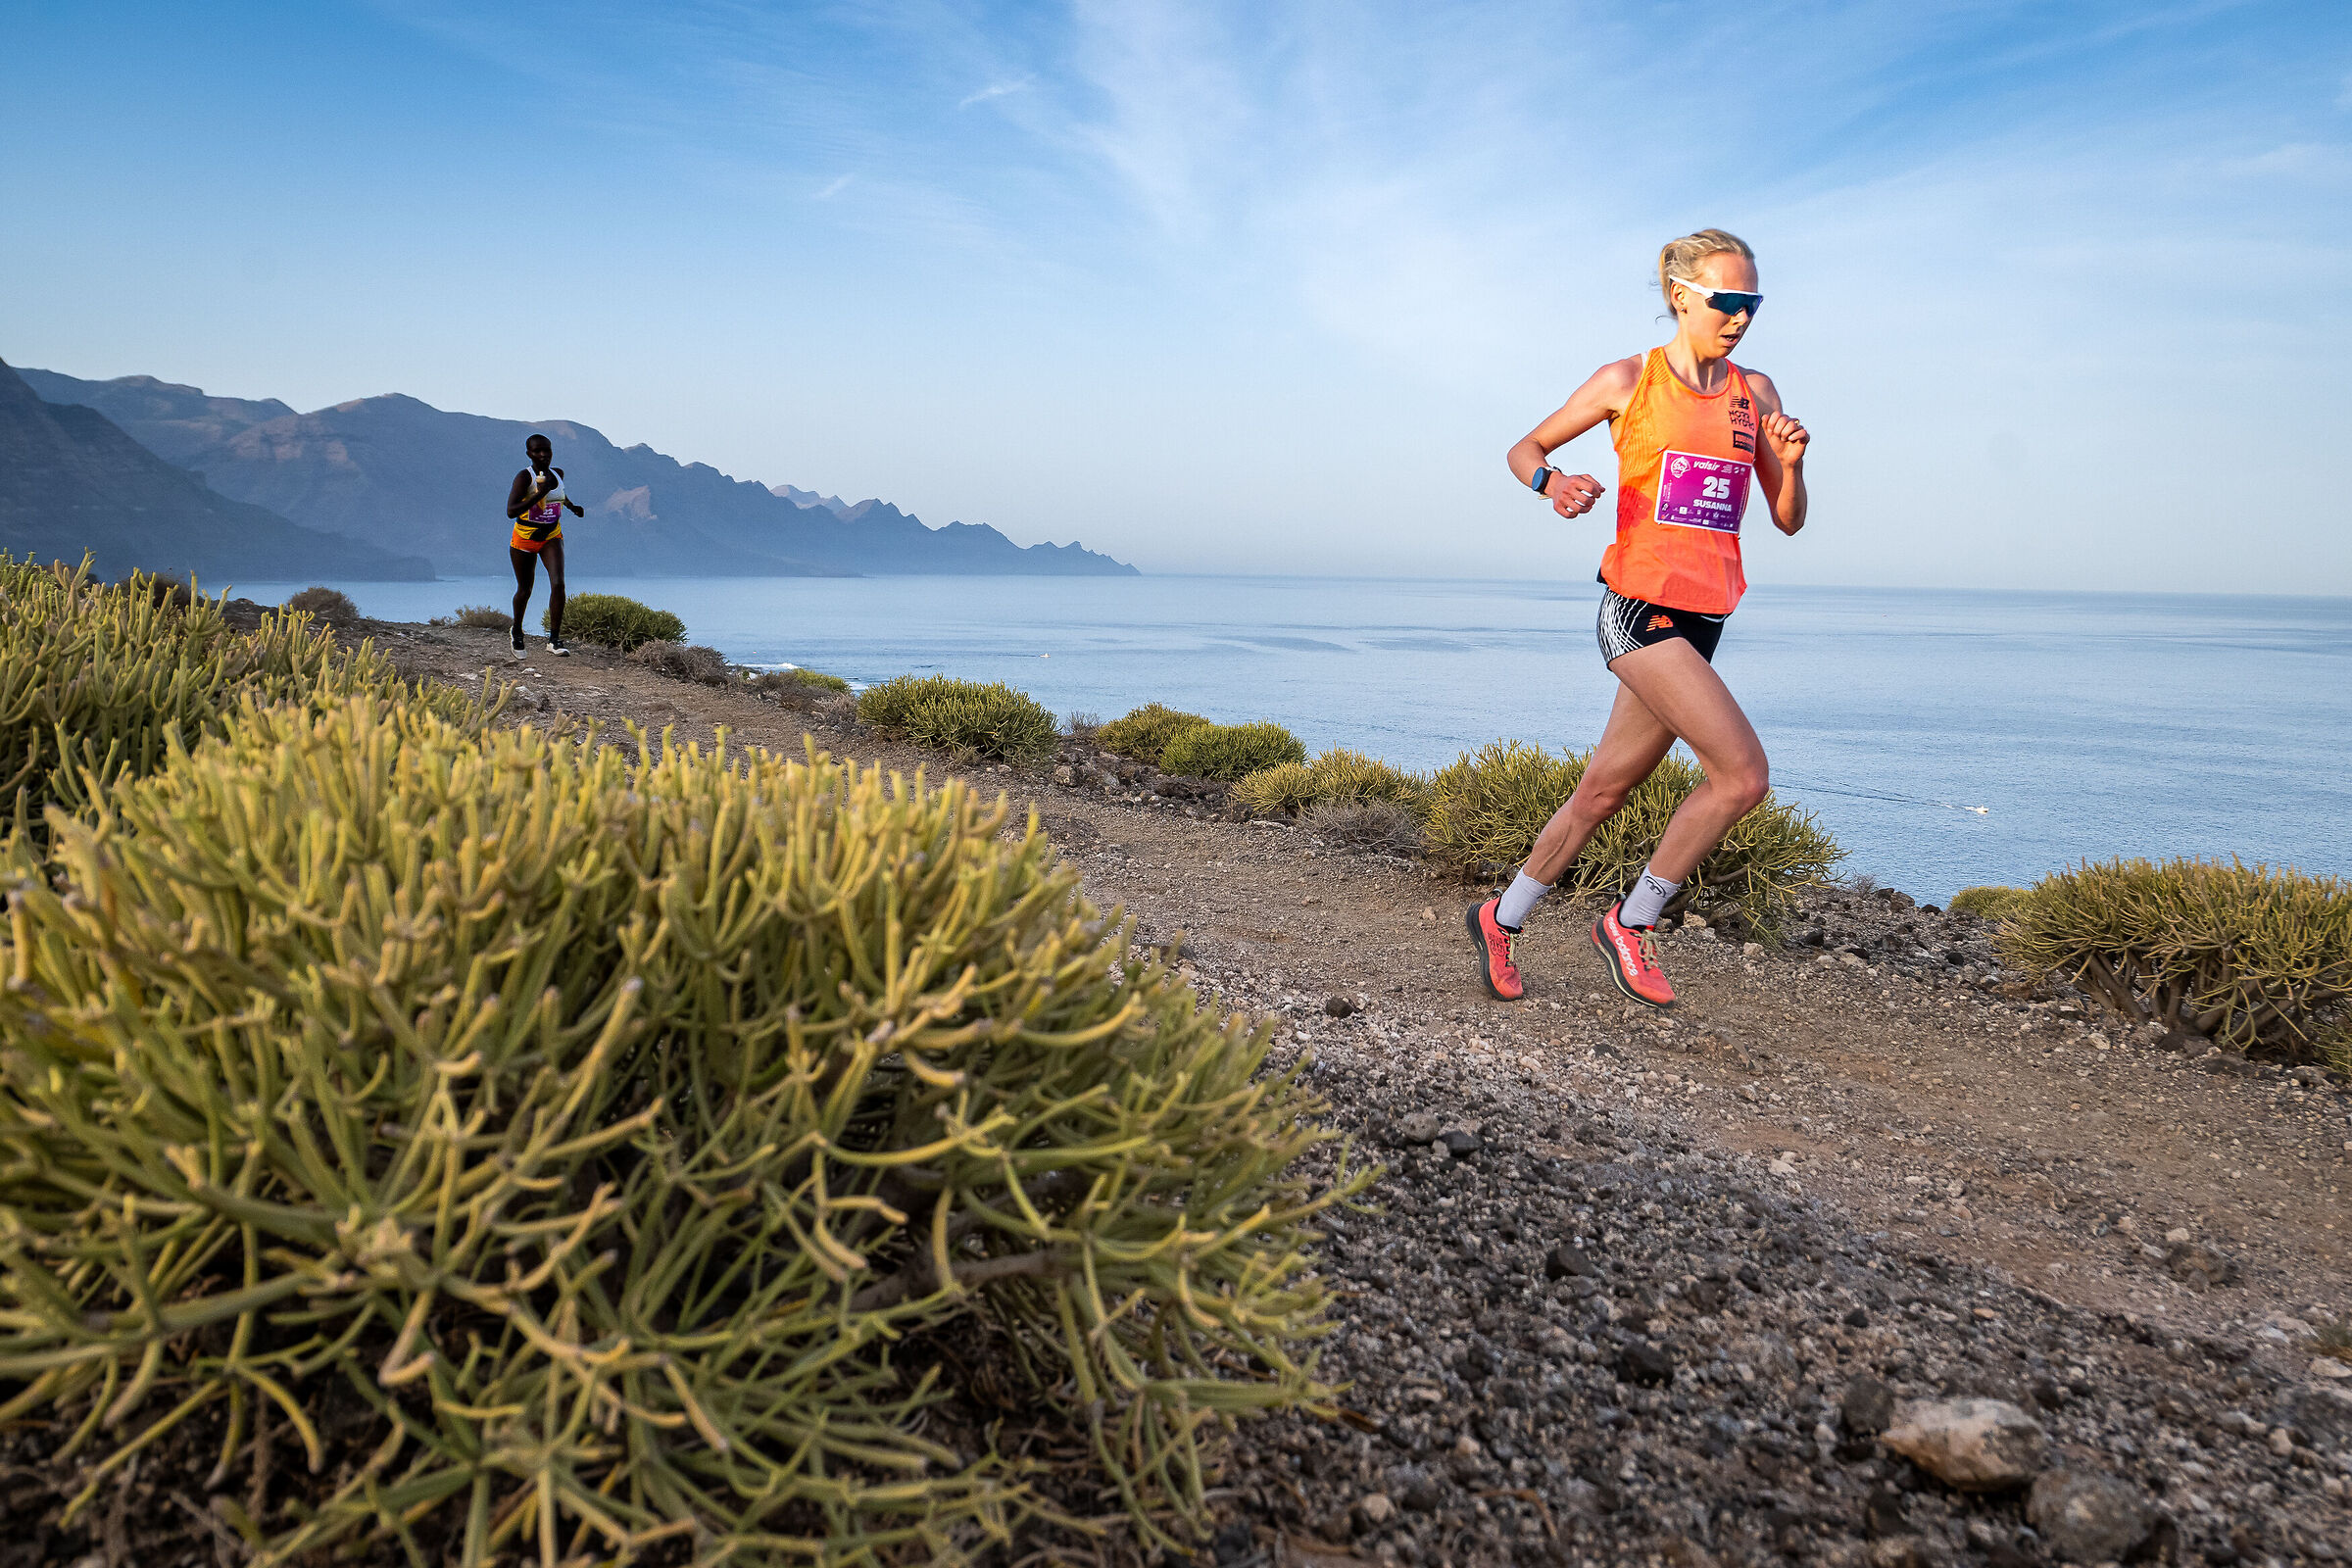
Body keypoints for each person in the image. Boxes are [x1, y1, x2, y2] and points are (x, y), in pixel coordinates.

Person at [1466, 228, 1811, 1008]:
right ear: (1681, 297)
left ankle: (1500, 916)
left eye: (1752, 302)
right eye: (1727, 300)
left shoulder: (1755, 395)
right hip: (1638, 609)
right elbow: (1525, 446)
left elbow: (1786, 519)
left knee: (1602, 792)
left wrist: (1790, 466)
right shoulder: (1628, 380)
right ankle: (1632, 922)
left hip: (1705, 618)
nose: (1742, 316)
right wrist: (1551, 484)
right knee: (1742, 776)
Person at [505, 432, 584, 658]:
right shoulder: (524, 478)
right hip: (525, 537)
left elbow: (561, 495)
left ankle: (554, 640)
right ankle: (517, 631)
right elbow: (511, 511)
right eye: (537, 451)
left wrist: (572, 506)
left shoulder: (557, 474)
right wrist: (540, 492)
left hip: (551, 535)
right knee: (525, 589)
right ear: (529, 453)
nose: (542, 455)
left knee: (558, 584)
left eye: (546, 450)